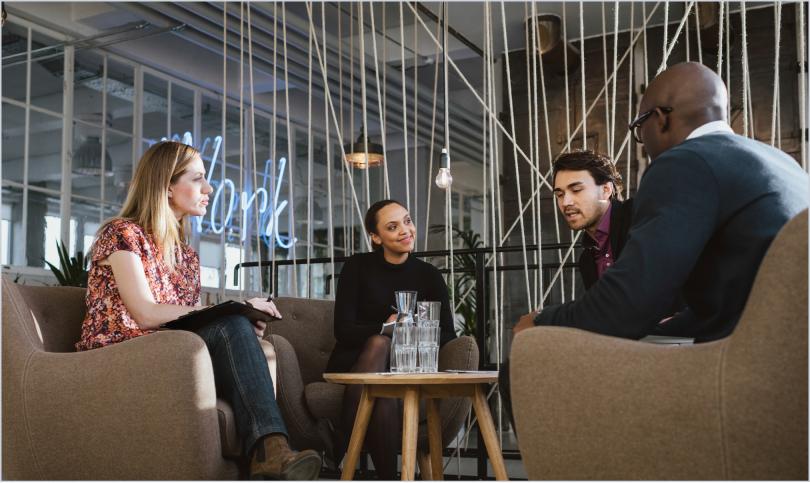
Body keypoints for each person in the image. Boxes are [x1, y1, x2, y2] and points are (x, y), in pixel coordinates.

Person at [500, 61, 809, 427]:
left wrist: (542, 320)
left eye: (638, 128)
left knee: (521, 367)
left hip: (741, 379)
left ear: (660, 119)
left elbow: (628, 305)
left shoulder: (683, 163)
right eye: (558, 194)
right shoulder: (783, 163)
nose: (642, 141)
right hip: (790, 373)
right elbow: (730, 298)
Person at [76, 141, 322, 480]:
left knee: (248, 335)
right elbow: (145, 313)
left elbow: (183, 323)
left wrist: (239, 326)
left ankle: (272, 451)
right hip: (119, 355)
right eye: (198, 179)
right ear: (166, 187)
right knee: (232, 323)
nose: (209, 189)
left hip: (169, 351)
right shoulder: (122, 234)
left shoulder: (187, 257)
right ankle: (273, 450)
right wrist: (231, 313)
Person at [327, 199, 457, 479]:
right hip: (356, 360)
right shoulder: (357, 266)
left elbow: (448, 334)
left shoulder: (429, 275)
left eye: (407, 221)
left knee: (385, 388)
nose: (405, 230)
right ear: (376, 237)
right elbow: (343, 330)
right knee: (379, 345)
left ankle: (338, 451)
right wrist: (384, 326)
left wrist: (412, 329)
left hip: (403, 363)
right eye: (392, 227)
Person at [551, 150, 632, 289]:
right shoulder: (586, 261)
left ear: (606, 190)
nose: (565, 202)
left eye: (576, 190)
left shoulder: (637, 219)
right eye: (560, 194)